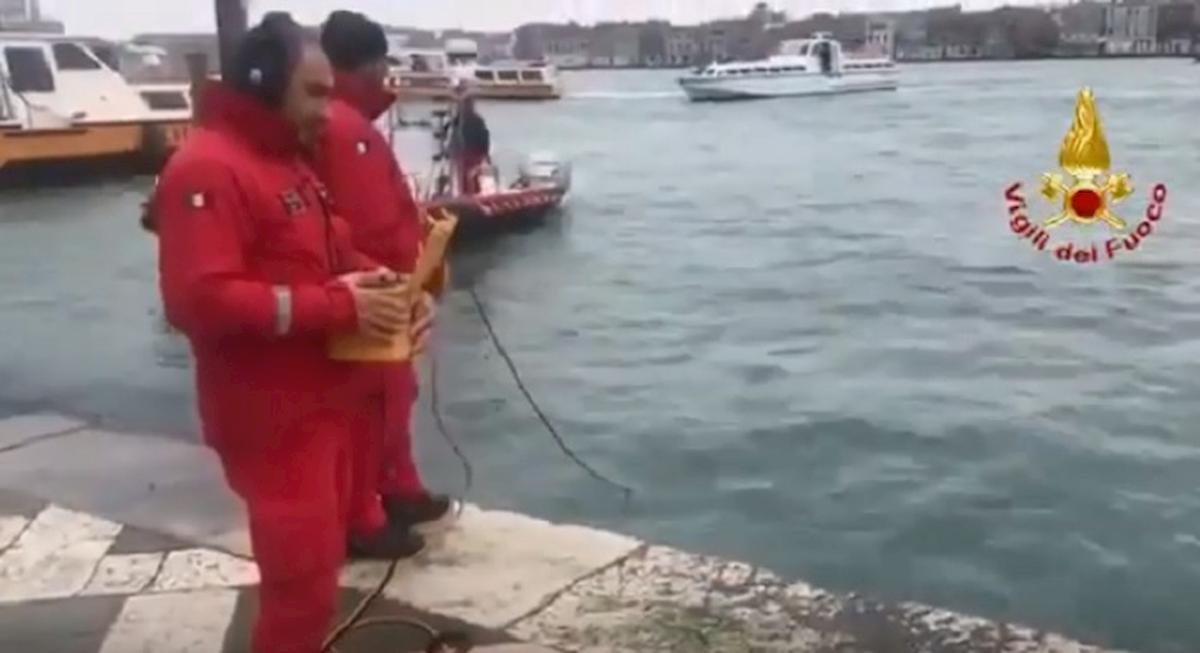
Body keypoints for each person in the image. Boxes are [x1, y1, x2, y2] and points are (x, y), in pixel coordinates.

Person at [154, 14, 416, 653]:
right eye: (316, 93)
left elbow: (334, 254)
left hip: (321, 405)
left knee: (317, 577)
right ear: (265, 86)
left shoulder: (284, 163)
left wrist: (388, 290)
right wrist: (335, 307)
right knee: (300, 591)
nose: (330, 111)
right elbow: (197, 300)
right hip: (270, 421)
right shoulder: (208, 170)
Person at [315, 10, 455, 560]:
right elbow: (361, 218)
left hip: (388, 285)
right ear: (371, 63)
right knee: (371, 403)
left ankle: (396, 490)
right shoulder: (345, 128)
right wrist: (395, 274)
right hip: (377, 289)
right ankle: (363, 515)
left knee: (394, 396)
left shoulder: (347, 123)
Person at [449, 89, 490, 195]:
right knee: (463, 177)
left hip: (474, 152)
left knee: (472, 176)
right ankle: (465, 193)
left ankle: (473, 193)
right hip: (463, 153)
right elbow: (452, 132)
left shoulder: (477, 120)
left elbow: (484, 137)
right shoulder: (459, 119)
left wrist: (485, 153)